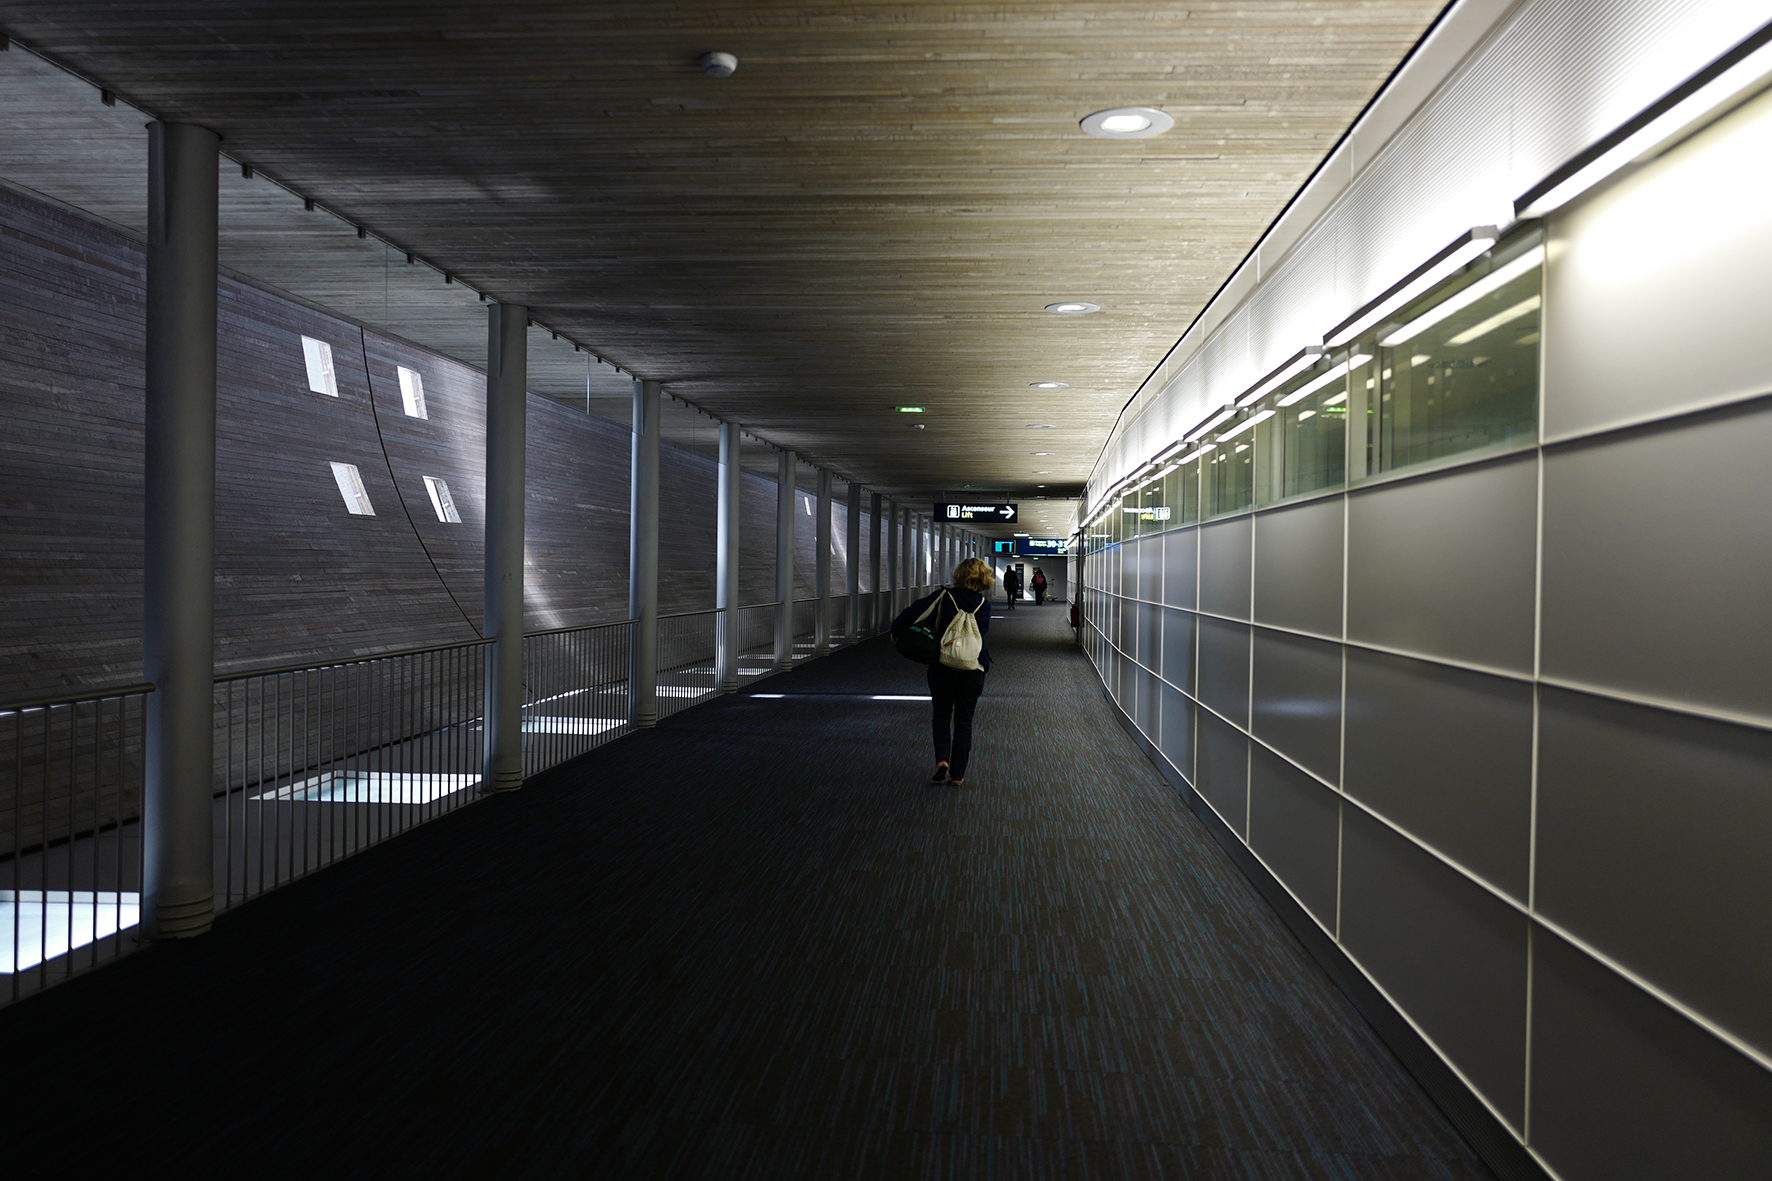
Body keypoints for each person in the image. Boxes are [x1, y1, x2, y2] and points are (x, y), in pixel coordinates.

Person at [891, 557, 994, 786]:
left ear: (958, 575)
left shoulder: (942, 596)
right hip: (973, 668)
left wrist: (895, 632)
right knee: (964, 721)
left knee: (941, 714)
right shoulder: (984, 605)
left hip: (943, 666)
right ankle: (958, 775)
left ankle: (943, 759)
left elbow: (910, 614)